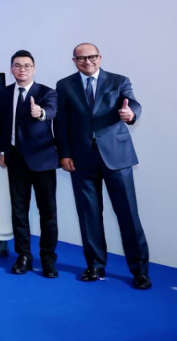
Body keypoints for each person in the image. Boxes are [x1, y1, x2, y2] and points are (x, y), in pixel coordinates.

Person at [55, 43, 151, 289]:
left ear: (100, 57)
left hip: (116, 157)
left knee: (128, 215)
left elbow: (133, 103)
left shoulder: (119, 81)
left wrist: (131, 114)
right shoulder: (64, 85)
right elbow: (61, 122)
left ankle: (140, 272)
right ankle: (95, 266)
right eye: (81, 58)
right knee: (88, 215)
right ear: (74, 61)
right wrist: (64, 154)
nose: (87, 61)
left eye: (92, 57)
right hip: (81, 159)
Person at [0, 50, 59, 278]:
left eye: (27, 66)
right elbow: (3, 124)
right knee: (19, 211)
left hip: (42, 160)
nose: (22, 69)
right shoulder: (3, 94)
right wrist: (4, 150)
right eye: (17, 65)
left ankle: (48, 259)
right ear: (11, 69)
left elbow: (52, 110)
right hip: (15, 160)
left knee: (48, 212)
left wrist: (40, 112)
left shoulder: (46, 92)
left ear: (34, 69)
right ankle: (23, 256)